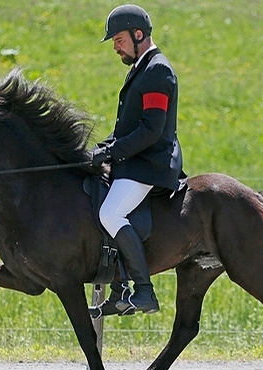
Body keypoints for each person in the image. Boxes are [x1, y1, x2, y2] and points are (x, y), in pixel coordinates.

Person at [90, 4, 184, 315]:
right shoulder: (141, 68)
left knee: (111, 214)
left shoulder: (157, 70)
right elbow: (128, 128)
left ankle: (144, 291)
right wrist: (102, 147)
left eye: (119, 40)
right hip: (135, 161)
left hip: (149, 164)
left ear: (138, 34)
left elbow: (152, 130)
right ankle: (119, 290)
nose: (116, 47)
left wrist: (113, 152)